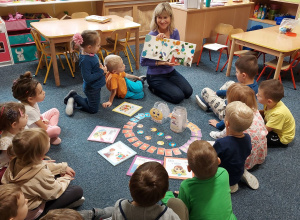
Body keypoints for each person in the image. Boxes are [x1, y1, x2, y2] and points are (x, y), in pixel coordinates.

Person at [1, 128, 84, 219]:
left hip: (21, 198)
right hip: (32, 211)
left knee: (51, 175)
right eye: (47, 141)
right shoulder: (42, 173)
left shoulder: (16, 160)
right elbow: (54, 192)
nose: (49, 140)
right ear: (39, 155)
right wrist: (65, 179)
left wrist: (62, 167)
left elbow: (41, 165)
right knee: (77, 190)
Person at [140, 2, 193, 104]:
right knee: (178, 97)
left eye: (165, 17)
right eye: (159, 17)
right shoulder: (152, 35)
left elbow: (177, 55)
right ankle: (153, 88)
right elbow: (142, 62)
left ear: (170, 18)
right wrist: (162, 60)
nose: (163, 21)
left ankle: (167, 85)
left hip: (170, 72)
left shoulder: (174, 32)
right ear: (155, 18)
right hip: (155, 75)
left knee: (188, 92)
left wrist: (179, 59)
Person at [209, 84, 268, 172]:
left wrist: (213, 134)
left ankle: (242, 171)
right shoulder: (256, 112)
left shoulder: (234, 120)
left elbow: (222, 135)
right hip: (258, 155)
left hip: (242, 161)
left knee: (211, 148)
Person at [196, 55, 258, 131]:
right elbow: (233, 92)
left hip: (226, 111)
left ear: (244, 75)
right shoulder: (254, 84)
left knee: (205, 91)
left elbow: (231, 114)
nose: (235, 74)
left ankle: (209, 103)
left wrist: (219, 125)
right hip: (232, 102)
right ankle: (214, 99)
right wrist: (219, 92)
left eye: (237, 72)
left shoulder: (241, 93)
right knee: (231, 83)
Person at [177, 140, 236, 220]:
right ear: (218, 161)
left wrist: (168, 196)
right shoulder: (224, 173)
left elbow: (182, 209)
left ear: (189, 168)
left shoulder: (186, 186)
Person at [112, 162, 183, 220]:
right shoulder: (168, 215)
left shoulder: (119, 206)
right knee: (177, 204)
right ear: (164, 195)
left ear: (129, 184)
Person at [213, 101, 254, 193]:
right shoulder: (247, 138)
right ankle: (235, 182)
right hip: (236, 176)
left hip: (222, 178)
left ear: (226, 124)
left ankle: (225, 187)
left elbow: (211, 159)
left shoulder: (221, 143)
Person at [64, 30, 107, 116]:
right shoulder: (85, 60)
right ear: (89, 47)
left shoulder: (89, 52)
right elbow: (87, 78)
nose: (100, 47)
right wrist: (102, 71)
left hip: (95, 85)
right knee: (93, 110)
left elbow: (94, 63)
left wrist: (101, 66)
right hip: (91, 88)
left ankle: (77, 97)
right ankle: (74, 97)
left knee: (93, 102)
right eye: (98, 45)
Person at [12, 71, 62, 145]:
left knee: (54, 111)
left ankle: (50, 136)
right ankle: (49, 137)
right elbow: (44, 127)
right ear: (30, 98)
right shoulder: (29, 110)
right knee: (57, 130)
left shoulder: (29, 102)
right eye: (41, 92)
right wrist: (47, 125)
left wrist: (43, 119)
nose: (44, 92)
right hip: (33, 133)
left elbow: (37, 116)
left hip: (36, 124)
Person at [257, 79, 295, 147]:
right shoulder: (271, 103)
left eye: (259, 95)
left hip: (282, 137)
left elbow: (264, 130)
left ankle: (282, 144)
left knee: (258, 138)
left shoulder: (278, 114)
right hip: (274, 123)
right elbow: (266, 112)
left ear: (269, 101)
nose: (256, 95)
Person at [0, 102, 28, 180]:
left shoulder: (20, 128)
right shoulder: (5, 142)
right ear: (14, 124)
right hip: (8, 166)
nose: (27, 116)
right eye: (24, 116)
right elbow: (14, 160)